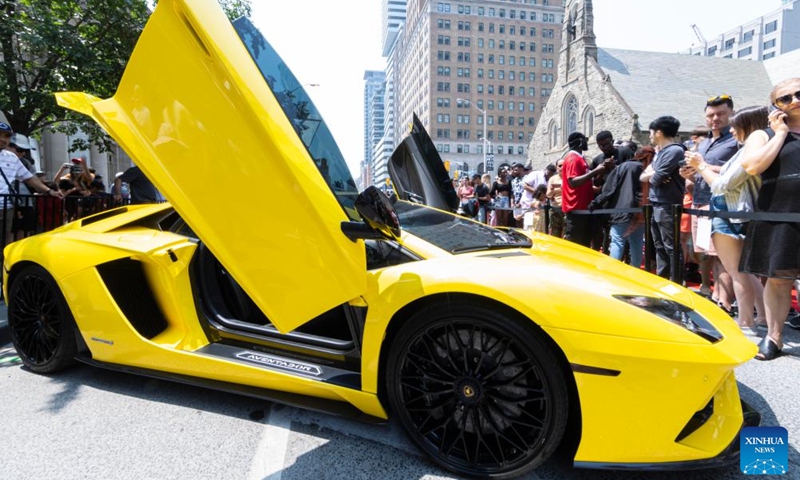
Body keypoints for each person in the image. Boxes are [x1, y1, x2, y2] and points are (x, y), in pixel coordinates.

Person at [685, 106, 768, 332]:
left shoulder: (747, 152)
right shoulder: (752, 150)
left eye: (735, 125)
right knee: (746, 272)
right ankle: (761, 317)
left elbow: (721, 185)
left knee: (737, 272)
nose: (731, 130)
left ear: (748, 127)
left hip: (729, 211)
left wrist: (700, 165)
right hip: (736, 210)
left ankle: (745, 322)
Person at [739, 78, 800, 360]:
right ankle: (774, 337)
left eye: (798, 94)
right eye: (785, 98)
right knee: (778, 278)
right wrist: (779, 134)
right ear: (775, 106)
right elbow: (752, 166)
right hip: (779, 212)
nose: (794, 100)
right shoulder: (763, 134)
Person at [682, 95, 738, 313]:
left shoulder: (737, 140)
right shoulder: (702, 143)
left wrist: (703, 165)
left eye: (720, 114)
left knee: (722, 255)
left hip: (722, 204)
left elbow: (739, 169)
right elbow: (694, 174)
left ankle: (725, 303)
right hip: (700, 202)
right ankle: (715, 295)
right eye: (710, 115)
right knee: (706, 253)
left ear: (731, 113)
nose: (715, 119)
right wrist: (686, 173)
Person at [0, 123, 63, 248]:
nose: (3, 139)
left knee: (3, 244)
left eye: (6, 136)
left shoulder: (12, 157)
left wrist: (49, 191)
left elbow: (29, 178)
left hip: (6, 209)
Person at [642, 116, 685, 280]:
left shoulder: (674, 150)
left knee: (671, 247)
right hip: (655, 203)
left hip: (667, 205)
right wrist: (653, 174)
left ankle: (676, 283)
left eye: (651, 132)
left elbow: (654, 178)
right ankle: (662, 279)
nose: (650, 136)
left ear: (659, 132)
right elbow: (644, 177)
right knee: (659, 246)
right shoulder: (660, 152)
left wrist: (653, 174)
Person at [589, 146, 645, 268]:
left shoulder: (621, 168)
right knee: (636, 243)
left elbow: (608, 190)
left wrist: (595, 203)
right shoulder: (647, 169)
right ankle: (635, 272)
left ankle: (613, 272)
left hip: (620, 212)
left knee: (617, 242)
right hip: (639, 212)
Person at [561, 132, 611, 247]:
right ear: (580, 141)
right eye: (585, 139)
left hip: (583, 209)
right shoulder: (573, 158)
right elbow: (572, 182)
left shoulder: (580, 158)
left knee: (584, 245)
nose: (587, 142)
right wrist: (595, 171)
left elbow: (586, 182)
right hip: (576, 209)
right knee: (576, 246)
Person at [590, 131, 632, 251]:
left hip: (622, 199)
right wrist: (601, 170)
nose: (604, 148)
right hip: (605, 200)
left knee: (622, 233)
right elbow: (596, 183)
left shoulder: (625, 152)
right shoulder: (597, 159)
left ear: (612, 142)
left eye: (606, 144)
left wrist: (614, 167)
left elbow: (631, 174)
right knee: (603, 230)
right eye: (601, 145)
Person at [546, 158, 565, 238]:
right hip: (555, 209)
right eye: (560, 166)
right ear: (557, 167)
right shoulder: (552, 179)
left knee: (565, 234)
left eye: (564, 165)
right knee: (554, 234)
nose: (562, 167)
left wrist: (561, 186)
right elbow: (548, 195)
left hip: (566, 210)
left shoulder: (570, 177)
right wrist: (552, 189)